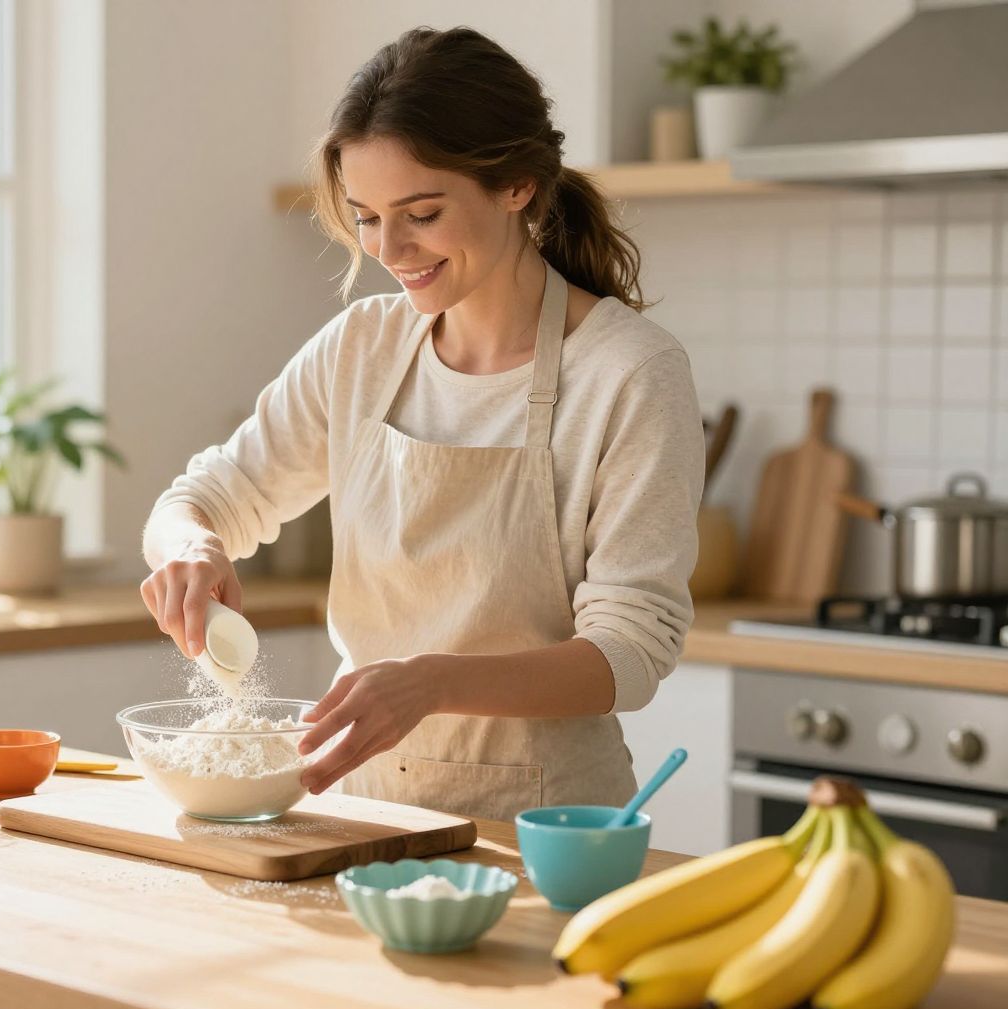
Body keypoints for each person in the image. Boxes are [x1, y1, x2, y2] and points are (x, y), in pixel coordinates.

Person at [138, 26, 703, 821]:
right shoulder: (360, 348)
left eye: (422, 213)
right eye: (366, 217)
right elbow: (201, 498)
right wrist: (192, 548)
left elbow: (630, 653)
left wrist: (433, 682)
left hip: (542, 830)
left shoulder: (629, 372)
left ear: (517, 186)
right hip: (355, 810)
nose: (389, 249)